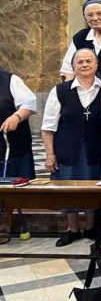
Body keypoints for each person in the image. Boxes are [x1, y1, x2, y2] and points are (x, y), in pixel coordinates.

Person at [43, 49, 101, 246]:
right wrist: (50, 155)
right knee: (69, 189)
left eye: (89, 61)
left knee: (92, 187)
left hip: (96, 149)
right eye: (80, 62)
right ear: (73, 66)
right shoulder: (60, 91)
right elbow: (48, 127)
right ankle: (72, 228)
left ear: (96, 65)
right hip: (68, 150)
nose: (84, 65)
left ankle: (90, 227)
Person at [0, 66, 36, 244]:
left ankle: (4, 226)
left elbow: (28, 103)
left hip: (9, 142)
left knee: (7, 186)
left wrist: (16, 116)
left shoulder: (9, 79)